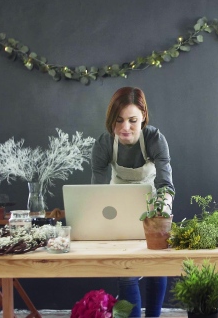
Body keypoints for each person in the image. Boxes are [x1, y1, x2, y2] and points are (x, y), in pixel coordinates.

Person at [91, 86, 175, 317]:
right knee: (127, 270)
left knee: (156, 267)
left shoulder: (155, 139)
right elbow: (96, 191)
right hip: (119, 210)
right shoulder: (105, 143)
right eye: (118, 120)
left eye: (132, 120)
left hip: (153, 208)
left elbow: (165, 183)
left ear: (143, 117)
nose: (125, 127)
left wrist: (163, 210)